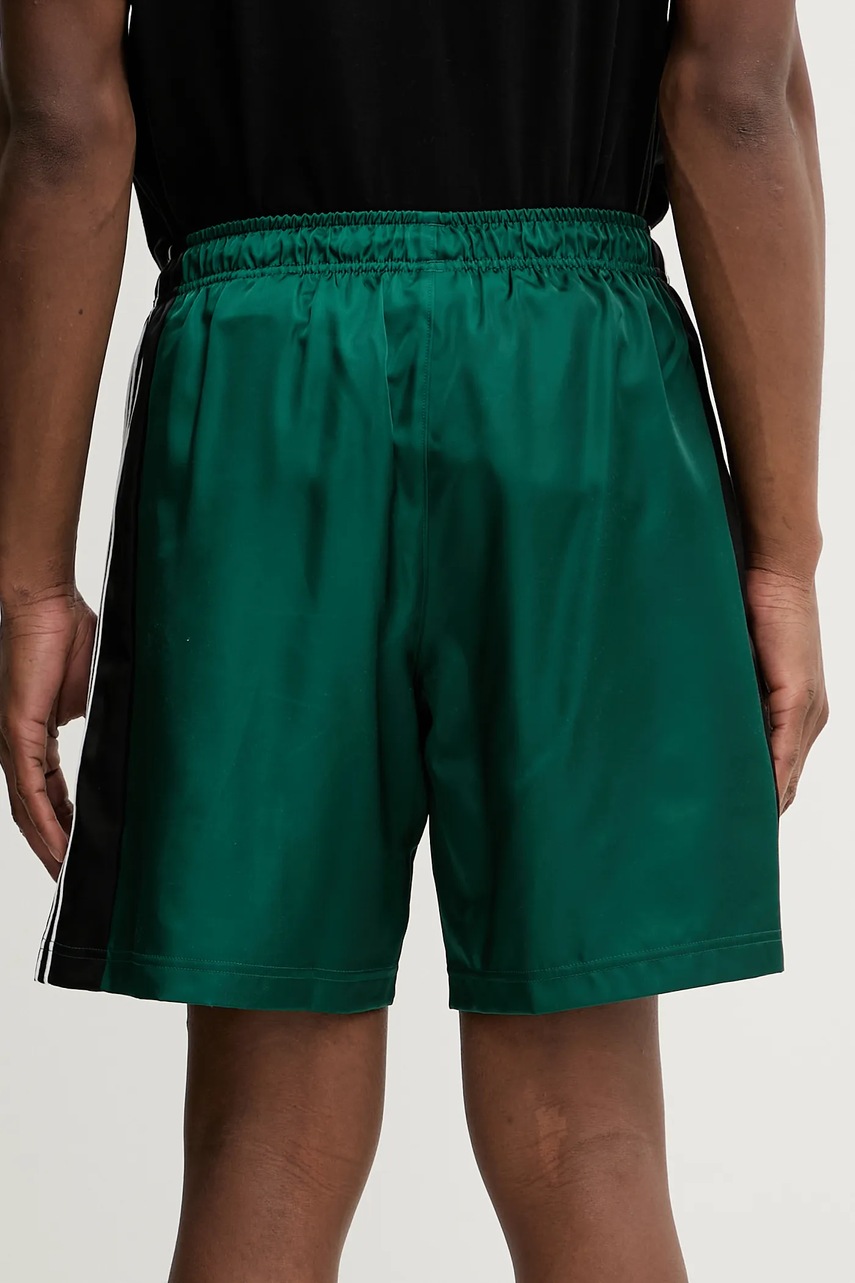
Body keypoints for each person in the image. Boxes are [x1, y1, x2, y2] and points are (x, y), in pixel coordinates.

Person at [0, 1, 828, 1279]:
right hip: (574, 377)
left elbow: (63, 124)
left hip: (261, 379)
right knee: (590, 1134)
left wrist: (32, 583)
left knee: (265, 1141)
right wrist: (781, 556)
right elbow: (735, 94)